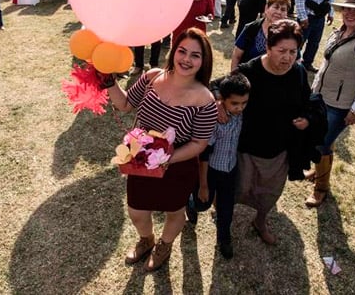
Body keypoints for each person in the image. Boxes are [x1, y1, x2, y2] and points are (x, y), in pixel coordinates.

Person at [106, 28, 217, 272]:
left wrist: (168, 159)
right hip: (140, 161)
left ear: (203, 61)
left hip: (176, 167)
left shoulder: (205, 100)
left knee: (174, 211)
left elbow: (199, 144)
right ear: (173, 51)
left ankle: (164, 245)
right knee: (136, 210)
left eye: (195, 55)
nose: (186, 59)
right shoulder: (153, 77)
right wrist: (109, 82)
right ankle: (147, 239)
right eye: (182, 51)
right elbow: (125, 104)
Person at [217, 20, 313, 245]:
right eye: (281, 51)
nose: (287, 57)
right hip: (247, 148)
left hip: (278, 151)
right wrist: (220, 102)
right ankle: (224, 221)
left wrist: (307, 119)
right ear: (268, 48)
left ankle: (260, 221)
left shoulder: (298, 73)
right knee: (238, 188)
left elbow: (309, 102)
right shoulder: (250, 70)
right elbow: (218, 85)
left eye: (293, 51)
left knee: (269, 193)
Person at [305, 0, 355, 207]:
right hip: (322, 97)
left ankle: (321, 189)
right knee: (320, 141)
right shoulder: (339, 32)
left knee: (322, 144)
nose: (350, 13)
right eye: (347, 8)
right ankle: (320, 170)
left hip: (340, 105)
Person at [186, 73, 250, 259]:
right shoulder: (215, 120)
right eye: (235, 104)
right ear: (223, 99)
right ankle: (190, 203)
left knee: (226, 209)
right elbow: (204, 155)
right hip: (211, 171)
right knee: (202, 203)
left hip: (230, 171)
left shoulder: (242, 115)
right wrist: (204, 185)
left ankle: (224, 238)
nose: (239, 108)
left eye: (244, 103)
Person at [230, 0, 291, 71]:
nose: (279, 12)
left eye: (283, 9)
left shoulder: (289, 33)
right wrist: (234, 77)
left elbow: (296, 61)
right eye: (276, 7)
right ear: (266, 8)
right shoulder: (251, 29)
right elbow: (236, 56)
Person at [295, 0, 335, 73]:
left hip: (320, 18)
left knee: (314, 43)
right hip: (307, 17)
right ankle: (293, 62)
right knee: (299, 42)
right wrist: (303, 17)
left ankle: (307, 63)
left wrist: (331, 13)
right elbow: (299, 0)